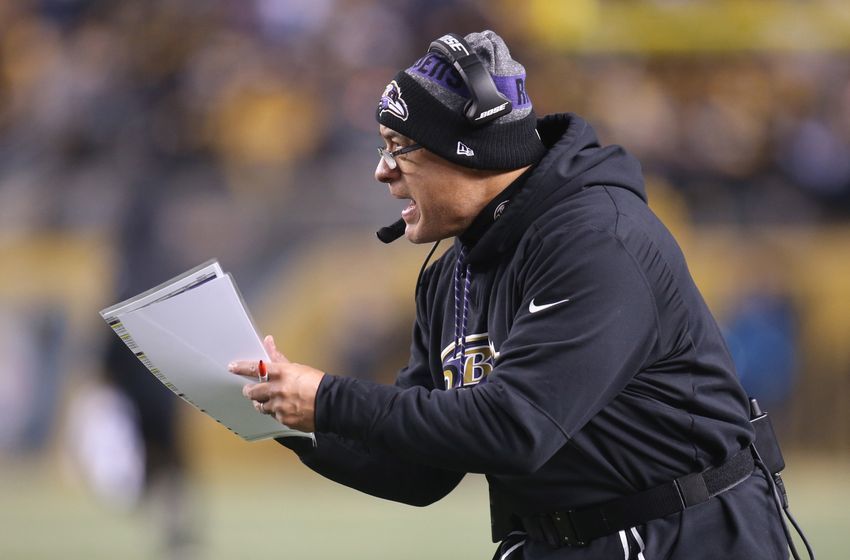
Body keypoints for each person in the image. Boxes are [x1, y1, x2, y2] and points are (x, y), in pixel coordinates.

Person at [229, 30, 789, 559]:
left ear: (468, 151)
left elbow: (516, 427)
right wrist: (283, 413)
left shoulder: (599, 241)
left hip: (686, 535)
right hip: (564, 540)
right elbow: (416, 470)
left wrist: (327, 398)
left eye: (400, 147)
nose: (383, 171)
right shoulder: (451, 274)